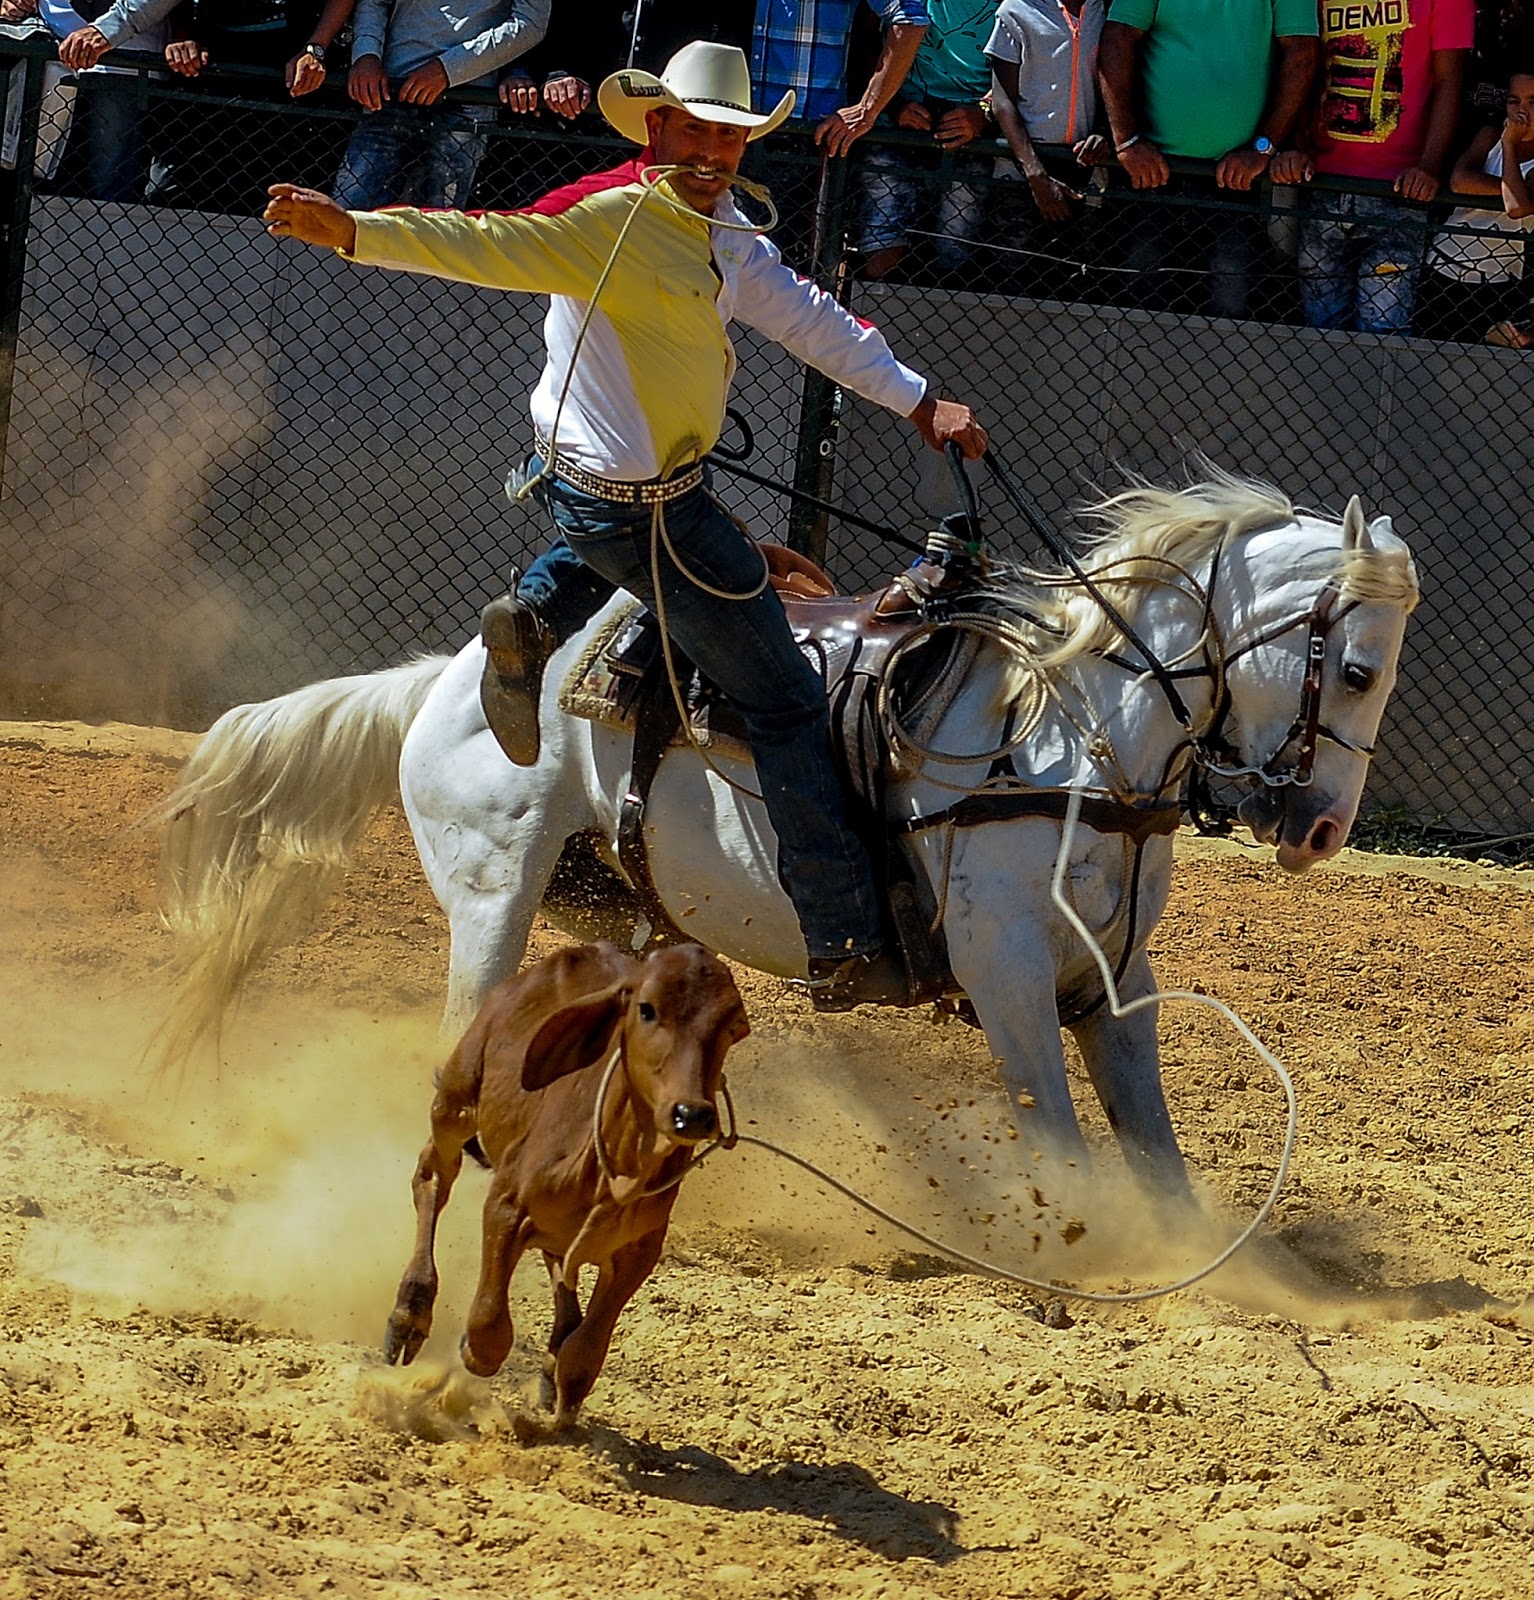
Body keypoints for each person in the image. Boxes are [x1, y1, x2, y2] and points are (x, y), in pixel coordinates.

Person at [263, 42, 989, 1010]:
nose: (713, 151)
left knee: (661, 554)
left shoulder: (727, 233)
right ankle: (843, 928)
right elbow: (481, 240)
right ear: (656, 128)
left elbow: (813, 320)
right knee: (780, 699)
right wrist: (353, 229)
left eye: (728, 136)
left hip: (602, 495)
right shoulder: (608, 218)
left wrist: (915, 401)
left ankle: (539, 604)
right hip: (643, 511)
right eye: (696, 130)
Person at [1097, 0, 1319, 319]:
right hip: (1150, 178)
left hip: (1237, 185)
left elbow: (1302, 53)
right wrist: (1127, 140)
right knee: (1138, 309)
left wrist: (1262, 147)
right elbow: (1117, 36)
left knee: (1230, 312)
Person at [1278, 0, 1474, 335]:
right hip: (1321, 184)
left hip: (1398, 192)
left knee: (1382, 331)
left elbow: (1450, 80)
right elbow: (1303, 63)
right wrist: (1293, 147)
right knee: (1318, 330)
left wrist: (1428, 165)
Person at [334, 0, 550, 210]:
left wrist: (449, 69)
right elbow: (374, 2)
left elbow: (531, 23)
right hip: (391, 91)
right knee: (350, 220)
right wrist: (366, 54)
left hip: (466, 101)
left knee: (437, 232)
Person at [857, 0, 997, 283]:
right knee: (882, 254)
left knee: (955, 259)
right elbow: (862, 41)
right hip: (895, 134)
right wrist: (893, 105)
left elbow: (1026, 64)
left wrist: (983, 113)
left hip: (969, 142)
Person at [984, 0, 1107, 297]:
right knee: (1011, 284)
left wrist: (1104, 134)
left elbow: (1114, 81)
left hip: (1084, 174)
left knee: (1076, 288)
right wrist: (1036, 175)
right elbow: (1002, 102)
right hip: (1021, 174)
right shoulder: (1015, 10)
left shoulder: (1105, 10)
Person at [1422, 66, 1534, 342]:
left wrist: (1510, 146)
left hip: (1495, 282)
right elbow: (1460, 180)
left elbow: (1519, 207)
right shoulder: (1489, 135)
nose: (1522, 111)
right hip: (1443, 268)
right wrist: (1512, 188)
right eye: (1514, 101)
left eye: (1533, 102)